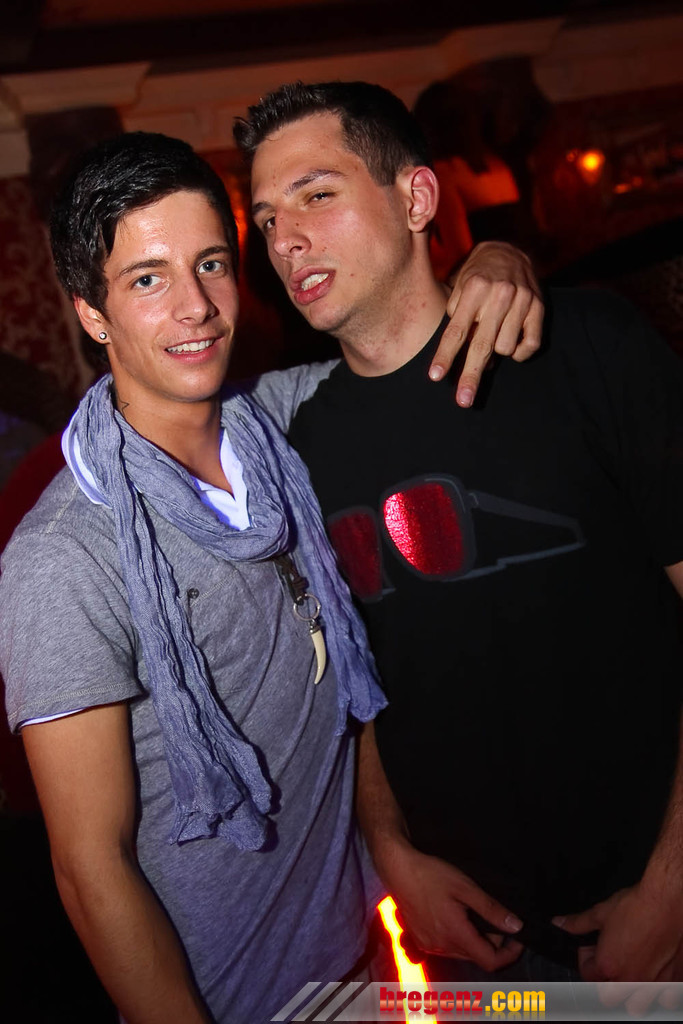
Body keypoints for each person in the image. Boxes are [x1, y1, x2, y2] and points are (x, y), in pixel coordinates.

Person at [0, 129, 542, 1022]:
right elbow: (90, 871)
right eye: (148, 280)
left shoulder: (278, 425)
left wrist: (497, 258)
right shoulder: (63, 558)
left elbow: (404, 347)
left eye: (210, 264)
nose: (196, 307)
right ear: (92, 314)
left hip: (366, 958)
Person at [234, 80, 683, 985]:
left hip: (654, 894)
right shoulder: (298, 446)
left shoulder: (584, 346)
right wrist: (389, 846)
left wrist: (672, 890)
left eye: (316, 194)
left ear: (415, 199)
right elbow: (358, 680)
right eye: (268, 216)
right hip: (478, 950)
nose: (284, 240)